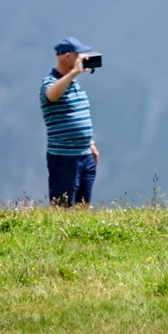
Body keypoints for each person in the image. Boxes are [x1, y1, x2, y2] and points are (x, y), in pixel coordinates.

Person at [39, 37, 101, 208]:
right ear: (68, 57)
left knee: (84, 205)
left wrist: (90, 143)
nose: (83, 57)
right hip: (65, 157)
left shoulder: (74, 84)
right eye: (78, 54)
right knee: (62, 206)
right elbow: (51, 95)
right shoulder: (50, 82)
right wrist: (74, 72)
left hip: (85, 155)